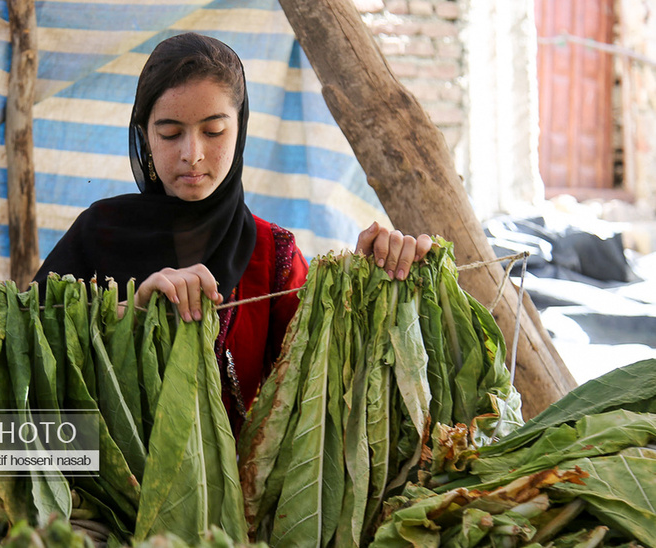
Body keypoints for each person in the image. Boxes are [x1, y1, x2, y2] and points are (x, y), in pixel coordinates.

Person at [32, 32, 432, 427]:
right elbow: (29, 370)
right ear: (146, 138)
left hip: (239, 489)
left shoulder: (273, 254)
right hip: (104, 486)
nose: (193, 154)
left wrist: (365, 287)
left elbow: (322, 385)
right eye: (170, 133)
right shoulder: (97, 234)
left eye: (214, 131)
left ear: (240, 131)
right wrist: (130, 313)